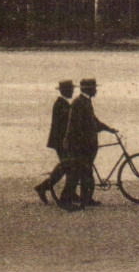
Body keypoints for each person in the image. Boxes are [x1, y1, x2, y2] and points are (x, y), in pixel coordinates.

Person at [61, 78, 116, 209]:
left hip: (84, 145)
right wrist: (84, 144)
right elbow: (78, 127)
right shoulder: (79, 103)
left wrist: (108, 129)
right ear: (88, 89)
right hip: (79, 146)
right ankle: (66, 200)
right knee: (78, 173)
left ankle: (86, 199)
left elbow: (93, 121)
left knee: (85, 173)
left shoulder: (85, 101)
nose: (96, 90)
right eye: (94, 88)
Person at [35, 80, 76, 205]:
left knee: (67, 167)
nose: (72, 91)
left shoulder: (63, 104)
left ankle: (71, 193)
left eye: (72, 89)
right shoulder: (61, 105)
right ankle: (43, 187)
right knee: (66, 166)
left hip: (61, 141)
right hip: (61, 141)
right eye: (70, 90)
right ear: (64, 91)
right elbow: (65, 126)